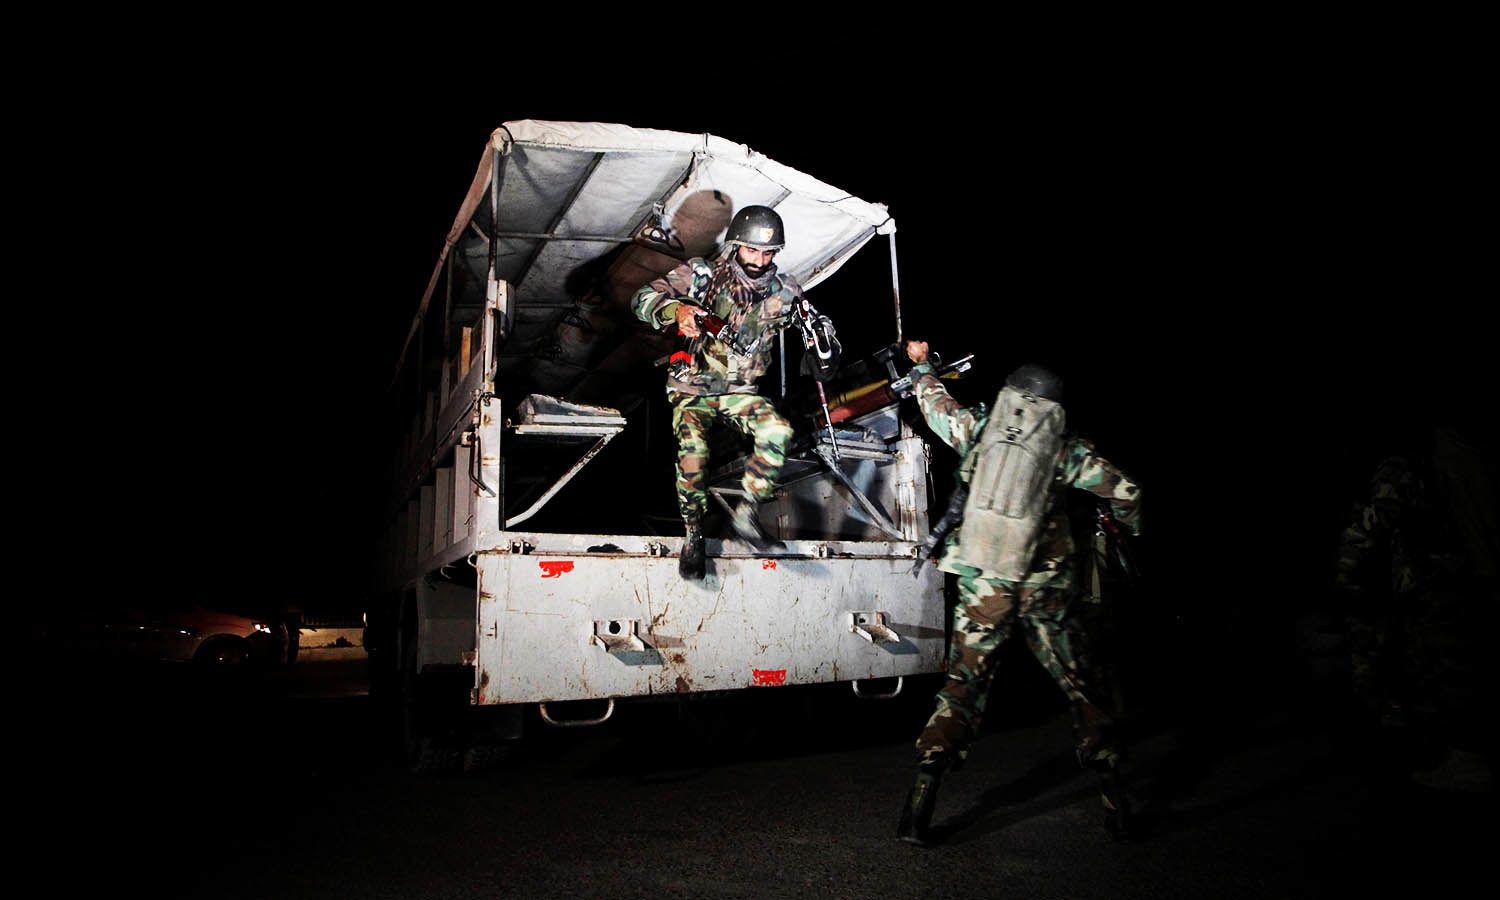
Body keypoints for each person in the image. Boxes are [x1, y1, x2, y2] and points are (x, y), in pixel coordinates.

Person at [895, 343, 1143, 846]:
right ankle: (1115, 799)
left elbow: (935, 405)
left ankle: (920, 800)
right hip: (1044, 586)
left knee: (964, 684)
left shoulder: (982, 427)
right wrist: (1126, 529)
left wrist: (921, 364)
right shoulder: (1064, 447)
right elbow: (1127, 492)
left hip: (984, 579)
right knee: (1080, 683)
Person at [632, 204, 816, 580]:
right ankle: (694, 534)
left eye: (767, 253)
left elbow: (810, 327)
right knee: (694, 459)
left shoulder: (785, 290)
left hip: (739, 389)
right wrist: (675, 311)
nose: (759, 260)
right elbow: (641, 300)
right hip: (692, 387)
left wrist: (820, 337)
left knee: (777, 431)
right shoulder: (702, 274)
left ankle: (748, 517)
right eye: (751, 251)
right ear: (735, 245)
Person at [1331, 413, 1497, 792]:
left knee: (1445, 668)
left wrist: (1344, 570)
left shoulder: (1401, 467)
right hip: (1453, 578)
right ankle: (1454, 751)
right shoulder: (1447, 462)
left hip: (1431, 583)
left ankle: (1465, 759)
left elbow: (1372, 524)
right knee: (1445, 665)